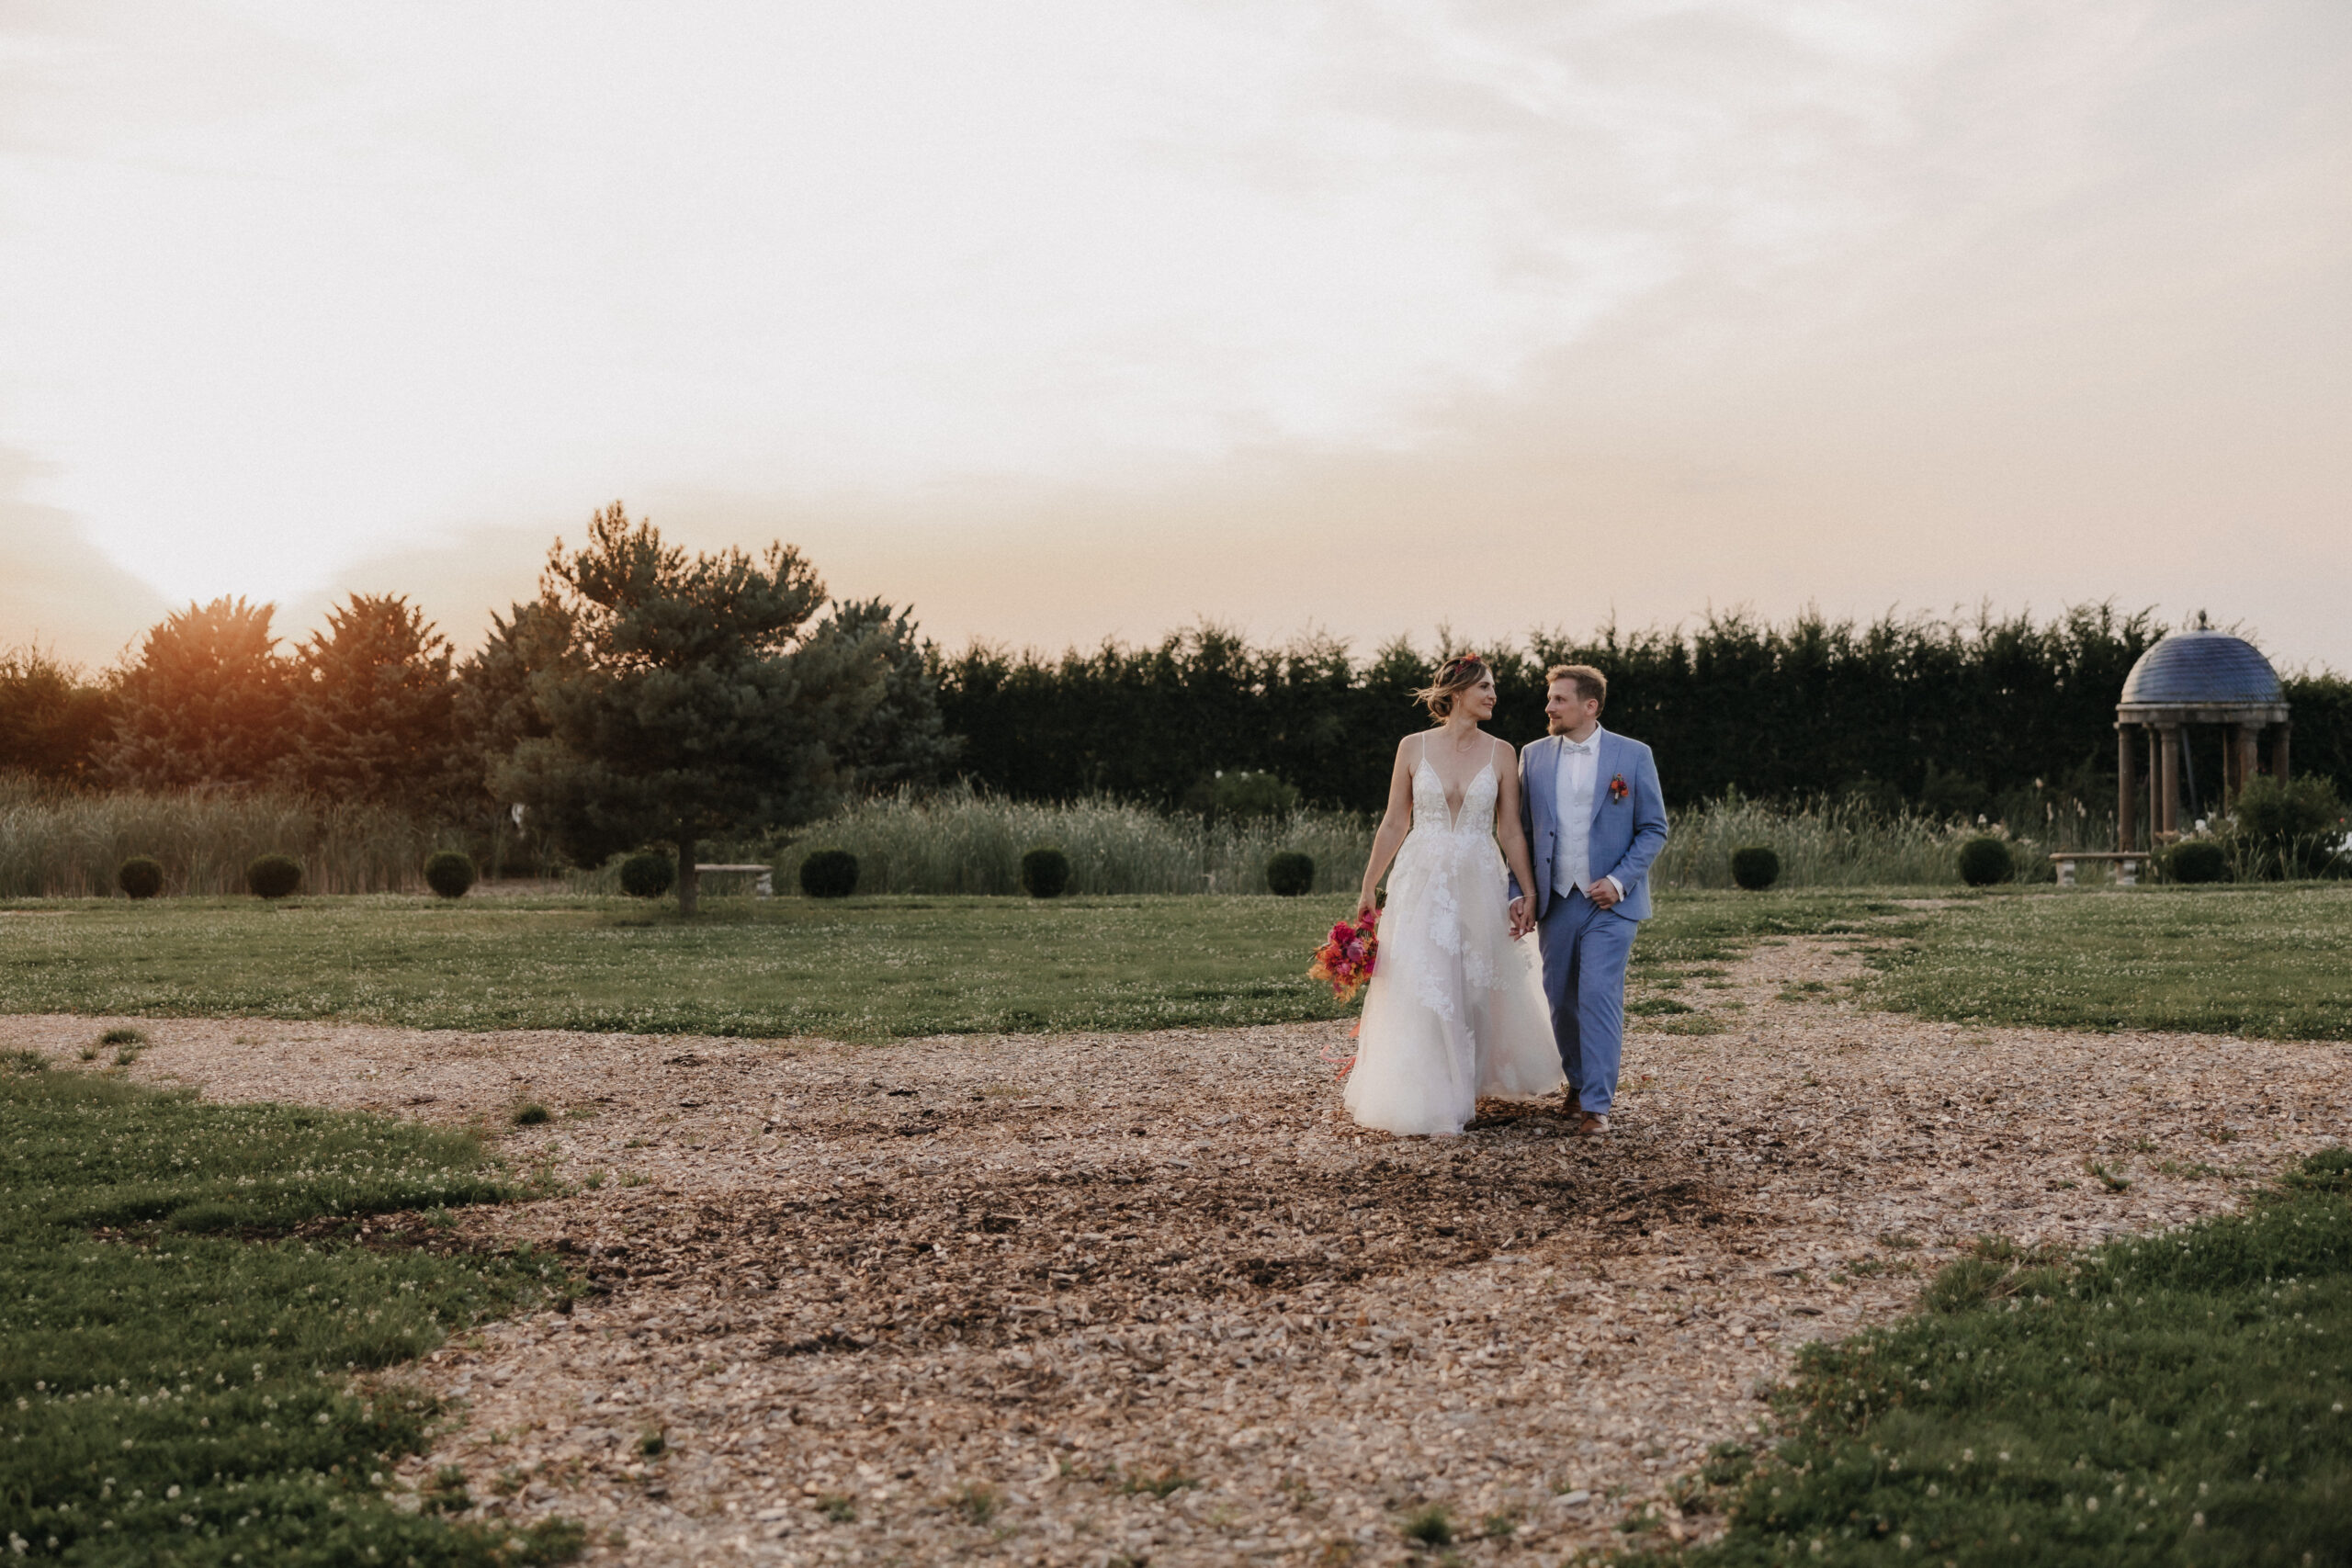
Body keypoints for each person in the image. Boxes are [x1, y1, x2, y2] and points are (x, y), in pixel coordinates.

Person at [1344, 654, 1563, 1136]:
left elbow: (1510, 829)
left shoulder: (1502, 752)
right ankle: (1430, 1092)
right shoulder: (1412, 747)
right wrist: (1369, 883)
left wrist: (1527, 890)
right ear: (1458, 692)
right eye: (1485, 687)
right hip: (1421, 878)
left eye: (1493, 688)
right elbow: (1395, 821)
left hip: (1479, 877)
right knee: (1424, 977)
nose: (1493, 695)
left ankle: (1471, 1078)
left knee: (1476, 982)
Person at [1507, 664, 1668, 1135]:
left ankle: (1597, 1105)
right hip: (1556, 900)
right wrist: (1519, 891)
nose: (1549, 707)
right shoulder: (1533, 756)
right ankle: (1577, 1083)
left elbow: (1653, 828)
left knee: (1598, 994)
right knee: (1560, 998)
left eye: (1559, 699)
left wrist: (1619, 881)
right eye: (1550, 698)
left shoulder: (1633, 755)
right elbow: (1521, 833)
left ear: (1590, 706)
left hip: (1611, 904)